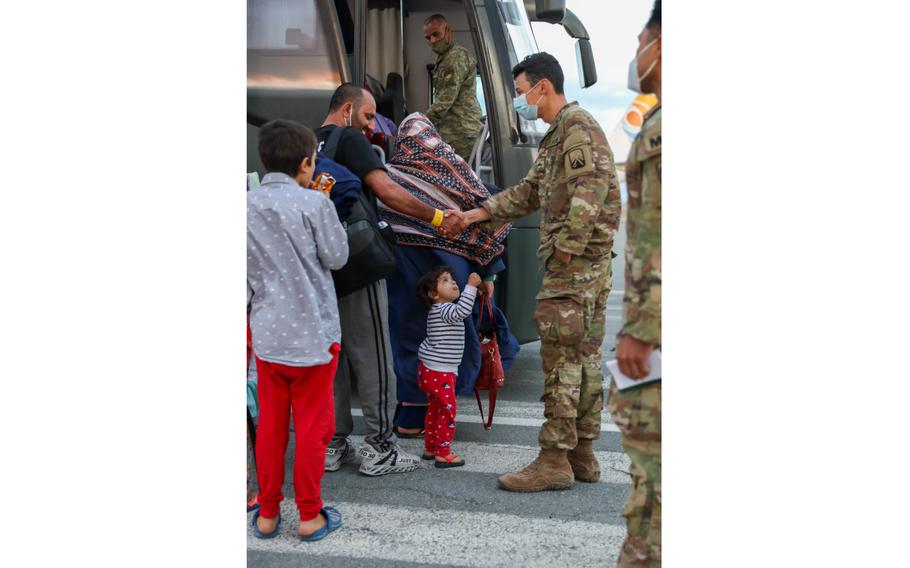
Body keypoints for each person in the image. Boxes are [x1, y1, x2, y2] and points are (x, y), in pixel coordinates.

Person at [451, 52, 622, 492]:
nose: (518, 99)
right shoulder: (557, 136)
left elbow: (593, 188)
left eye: (520, 90)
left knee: (561, 361)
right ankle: (582, 454)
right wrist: (478, 214)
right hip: (587, 268)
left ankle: (553, 461)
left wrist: (567, 249)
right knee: (582, 360)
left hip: (576, 268)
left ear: (542, 86)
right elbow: (529, 193)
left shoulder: (576, 127)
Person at [315, 84, 464, 476]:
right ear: (347, 110)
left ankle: (333, 444)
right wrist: (435, 217)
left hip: (318, 268)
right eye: (367, 117)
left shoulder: (309, 142)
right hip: (357, 262)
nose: (370, 128)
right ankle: (380, 447)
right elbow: (387, 190)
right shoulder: (350, 139)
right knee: (375, 355)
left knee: (334, 358)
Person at [377, 113, 518, 438]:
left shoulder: (391, 177)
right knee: (450, 346)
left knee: (409, 343)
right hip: (451, 282)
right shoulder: (455, 171)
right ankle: (438, 415)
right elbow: (491, 216)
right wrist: (489, 276)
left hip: (405, 282)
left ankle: (409, 415)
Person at [247, 119, 347, 540]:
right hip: (314, 338)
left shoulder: (243, 205)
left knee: (270, 424)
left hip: (268, 337)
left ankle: (267, 513)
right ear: (306, 164)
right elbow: (337, 257)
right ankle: (309, 515)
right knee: (312, 426)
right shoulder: (314, 204)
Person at [607, 2, 661, 565]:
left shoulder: (660, 132)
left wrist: (640, 332)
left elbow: (660, 239)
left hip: (659, 340)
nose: (637, 54)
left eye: (642, 37)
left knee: (652, 496)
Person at [414, 267, 482, 468]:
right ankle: (442, 453)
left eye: (452, 279)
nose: (453, 282)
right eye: (445, 280)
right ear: (434, 294)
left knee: (435, 409)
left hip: (431, 369)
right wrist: (470, 286)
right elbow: (463, 310)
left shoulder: (439, 310)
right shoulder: (445, 310)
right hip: (440, 370)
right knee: (447, 410)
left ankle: (431, 447)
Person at [422, 14, 484, 161]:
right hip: (455, 131)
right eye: (428, 37)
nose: (432, 41)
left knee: (456, 180)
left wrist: (421, 121)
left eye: (436, 34)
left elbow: (446, 99)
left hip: (461, 132)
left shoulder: (455, 57)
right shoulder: (446, 57)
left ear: (448, 30)